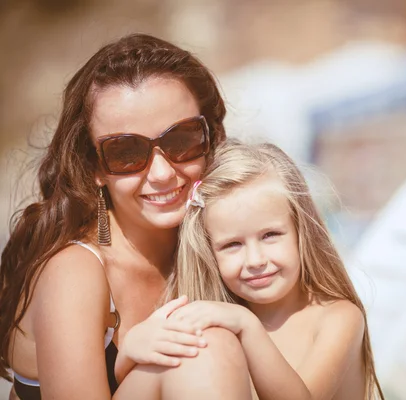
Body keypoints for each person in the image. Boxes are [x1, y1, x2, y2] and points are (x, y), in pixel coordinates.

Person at [0, 33, 252, 399]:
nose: (162, 173)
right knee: (205, 349)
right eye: (126, 152)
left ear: (211, 137)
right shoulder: (74, 274)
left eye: (182, 139)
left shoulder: (232, 244)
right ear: (93, 168)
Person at [161, 139, 386, 399]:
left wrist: (247, 326)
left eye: (270, 235)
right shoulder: (217, 328)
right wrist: (130, 355)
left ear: (302, 231)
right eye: (232, 244)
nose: (255, 260)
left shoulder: (339, 318)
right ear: (210, 254)